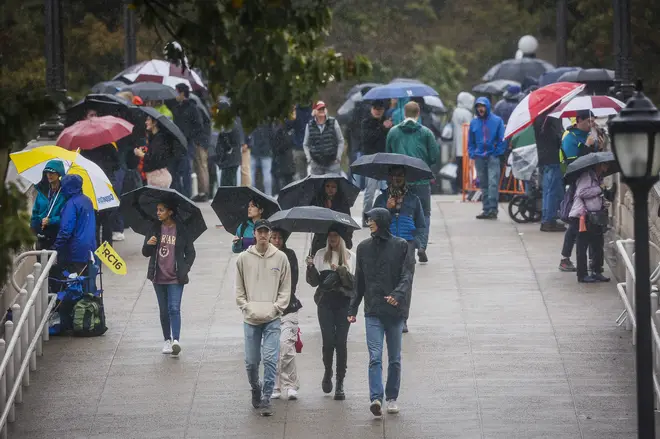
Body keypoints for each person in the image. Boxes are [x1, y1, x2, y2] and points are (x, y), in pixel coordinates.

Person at [348, 208, 414, 417]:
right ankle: (376, 397)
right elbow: (359, 281)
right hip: (373, 311)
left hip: (394, 312)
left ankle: (392, 397)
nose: (369, 223)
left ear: (383, 221)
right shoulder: (363, 248)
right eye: (368, 220)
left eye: (373, 220)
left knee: (394, 358)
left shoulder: (401, 246)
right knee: (375, 357)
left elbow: (407, 275)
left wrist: (398, 294)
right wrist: (353, 308)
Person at [235, 219, 291, 416]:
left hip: (272, 318)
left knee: (269, 359)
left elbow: (285, 288)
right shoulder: (243, 258)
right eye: (259, 231)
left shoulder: (281, 258)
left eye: (266, 232)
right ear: (255, 234)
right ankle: (255, 387)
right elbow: (239, 288)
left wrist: (277, 307)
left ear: (269, 234)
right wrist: (245, 306)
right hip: (251, 318)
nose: (263, 235)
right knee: (251, 361)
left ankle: (267, 396)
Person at [373, 166, 425, 333]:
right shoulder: (381, 199)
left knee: (405, 282)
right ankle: (387, 316)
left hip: (407, 244)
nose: (397, 178)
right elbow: (373, 224)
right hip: (386, 242)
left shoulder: (413, 199)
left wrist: (418, 243)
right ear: (389, 177)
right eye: (394, 175)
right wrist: (387, 209)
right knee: (386, 281)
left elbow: (421, 225)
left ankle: (402, 318)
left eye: (401, 175)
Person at [306, 226, 355, 401]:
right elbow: (313, 283)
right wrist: (310, 267)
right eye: (330, 236)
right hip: (325, 304)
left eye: (335, 236)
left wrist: (340, 270)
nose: (332, 239)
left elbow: (353, 284)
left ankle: (340, 382)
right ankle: (328, 371)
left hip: (343, 304)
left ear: (341, 238)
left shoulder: (350, 256)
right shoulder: (320, 254)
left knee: (341, 343)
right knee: (328, 341)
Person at [142, 201, 196, 356]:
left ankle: (176, 341)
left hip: (175, 277)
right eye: (157, 210)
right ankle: (167, 339)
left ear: (170, 212)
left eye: (161, 210)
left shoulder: (181, 229)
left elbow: (191, 252)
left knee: (174, 308)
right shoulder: (154, 228)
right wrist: (149, 244)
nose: (158, 213)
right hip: (158, 277)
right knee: (164, 310)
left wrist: (185, 269)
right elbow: (145, 252)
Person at [386, 101, 438, 263]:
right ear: (419, 112)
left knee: (403, 212)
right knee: (425, 213)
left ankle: (403, 245)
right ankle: (421, 245)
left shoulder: (393, 132)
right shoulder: (426, 133)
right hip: (421, 180)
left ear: (403, 113)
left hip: (401, 180)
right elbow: (434, 156)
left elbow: (388, 155)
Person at [270, 227, 303, 401]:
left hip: (288, 308)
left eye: (279, 238)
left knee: (286, 347)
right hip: (269, 310)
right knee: (273, 350)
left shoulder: (289, 255)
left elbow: (293, 281)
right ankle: (275, 385)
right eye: (273, 237)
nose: (276, 241)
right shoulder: (263, 257)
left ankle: (290, 384)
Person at [568, 163, 611, 283]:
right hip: (583, 217)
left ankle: (597, 271)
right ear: (599, 165)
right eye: (605, 165)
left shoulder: (599, 178)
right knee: (582, 246)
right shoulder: (586, 176)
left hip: (595, 216)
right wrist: (599, 189)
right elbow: (581, 193)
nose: (607, 167)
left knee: (598, 245)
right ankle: (582, 275)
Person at [468, 97, 506, 220]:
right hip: (479, 157)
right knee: (483, 184)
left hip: (492, 156)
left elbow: (502, 139)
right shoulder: (474, 123)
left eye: (483, 106)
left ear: (487, 107)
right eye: (478, 106)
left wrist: (497, 152)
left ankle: (493, 210)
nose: (480, 108)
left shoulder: (497, 121)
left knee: (493, 183)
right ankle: (486, 209)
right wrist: (472, 152)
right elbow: (471, 141)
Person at [53, 175, 97, 275]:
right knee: (87, 280)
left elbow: (66, 230)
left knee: (74, 282)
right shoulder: (87, 200)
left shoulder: (71, 204)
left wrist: (56, 247)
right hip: (90, 247)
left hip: (76, 250)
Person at [534, 108, 567, 232]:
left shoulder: (538, 117)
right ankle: (549, 220)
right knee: (552, 191)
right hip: (554, 157)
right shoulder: (553, 117)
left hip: (544, 158)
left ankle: (546, 219)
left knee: (547, 191)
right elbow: (558, 137)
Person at [360, 99, 392, 226]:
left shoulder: (388, 122)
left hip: (385, 160)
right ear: (371, 109)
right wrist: (382, 128)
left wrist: (389, 128)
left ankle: (385, 217)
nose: (378, 111)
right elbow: (368, 140)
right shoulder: (366, 122)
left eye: (380, 109)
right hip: (371, 160)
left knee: (386, 191)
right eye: (376, 109)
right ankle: (366, 217)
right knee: (370, 192)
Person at [171, 83, 204, 199]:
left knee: (186, 171)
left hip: (187, 144)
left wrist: (189, 137)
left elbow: (199, 126)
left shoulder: (192, 108)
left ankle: (186, 196)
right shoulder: (175, 107)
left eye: (176, 92)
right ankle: (177, 194)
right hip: (175, 144)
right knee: (174, 171)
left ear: (182, 93)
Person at [310, 179, 353, 255]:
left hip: (338, 236)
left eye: (333, 187)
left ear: (337, 188)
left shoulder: (342, 202)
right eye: (327, 186)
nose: (330, 189)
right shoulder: (318, 200)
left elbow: (347, 222)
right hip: (320, 237)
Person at [31, 160, 67, 250]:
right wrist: (33, 230)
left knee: (53, 263)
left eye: (52, 172)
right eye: (47, 172)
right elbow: (35, 212)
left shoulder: (64, 194)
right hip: (41, 234)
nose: (49, 175)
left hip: (56, 235)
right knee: (39, 263)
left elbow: (67, 217)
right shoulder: (41, 192)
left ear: (59, 174)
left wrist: (51, 220)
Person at [303, 101, 345, 175]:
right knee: (317, 186)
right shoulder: (309, 125)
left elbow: (341, 140)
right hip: (316, 165)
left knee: (332, 185)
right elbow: (305, 144)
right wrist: (309, 159)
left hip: (332, 163)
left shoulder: (333, 122)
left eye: (323, 108)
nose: (322, 111)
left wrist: (338, 157)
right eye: (319, 109)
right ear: (314, 111)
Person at [134, 115, 174, 188]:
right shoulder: (154, 138)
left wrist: (142, 154)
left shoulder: (160, 138)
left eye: (148, 120)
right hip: (155, 177)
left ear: (154, 122)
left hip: (158, 178)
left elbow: (155, 159)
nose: (146, 122)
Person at [215, 97, 245, 186]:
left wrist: (225, 152)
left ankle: (229, 199)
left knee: (226, 183)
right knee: (232, 181)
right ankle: (233, 199)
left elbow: (226, 140)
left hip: (228, 158)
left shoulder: (227, 123)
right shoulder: (235, 120)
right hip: (234, 157)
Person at [450, 92, 475, 194]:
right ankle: (465, 186)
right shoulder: (467, 113)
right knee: (465, 167)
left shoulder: (456, 111)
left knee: (460, 167)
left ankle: (459, 187)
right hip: (466, 143)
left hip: (458, 145)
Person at [272, 109, 297, 194]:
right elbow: (280, 146)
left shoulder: (280, 128)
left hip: (284, 161)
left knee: (286, 182)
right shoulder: (281, 130)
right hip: (283, 161)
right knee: (285, 183)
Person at [248, 123, 274, 196]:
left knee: (252, 174)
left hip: (254, 150)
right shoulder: (268, 122)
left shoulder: (252, 120)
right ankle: (268, 194)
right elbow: (272, 136)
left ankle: (252, 194)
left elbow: (248, 135)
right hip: (266, 150)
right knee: (267, 174)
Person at [292, 105, 313, 180]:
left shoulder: (296, 110)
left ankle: (305, 190)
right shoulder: (312, 110)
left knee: (302, 177)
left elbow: (288, 125)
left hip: (302, 147)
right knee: (312, 175)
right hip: (307, 148)